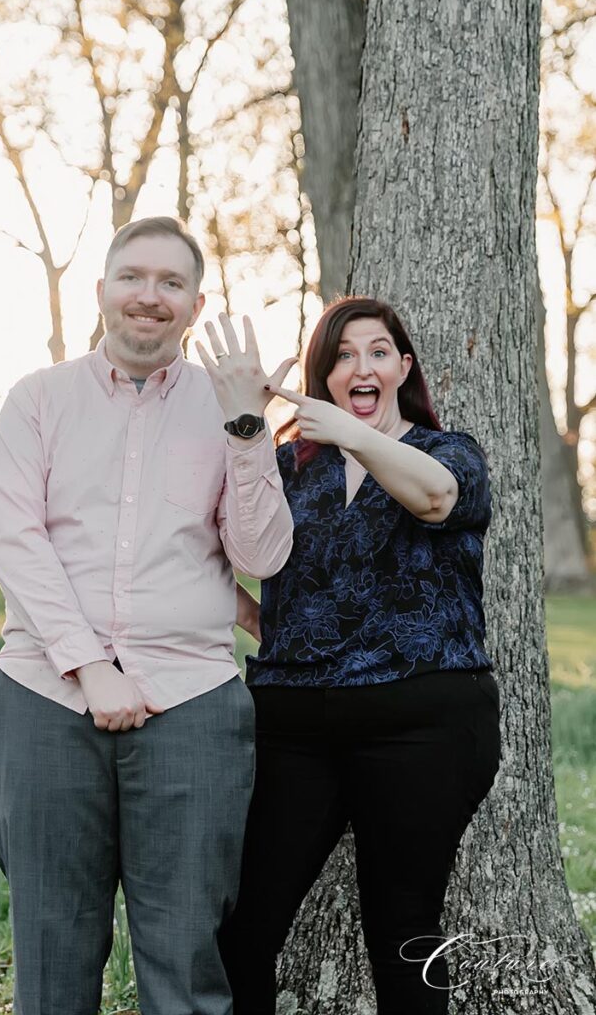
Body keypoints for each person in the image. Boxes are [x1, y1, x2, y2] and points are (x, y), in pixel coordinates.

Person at [0, 215, 297, 1015]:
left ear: (195, 305)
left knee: (187, 951)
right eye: (133, 277)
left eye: (171, 283)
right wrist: (89, 667)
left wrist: (247, 428)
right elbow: (15, 543)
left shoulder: (231, 409)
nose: (148, 297)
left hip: (190, 701)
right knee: (52, 951)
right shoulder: (37, 401)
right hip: (44, 697)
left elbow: (259, 557)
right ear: (102, 292)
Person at [219, 296, 502, 1015]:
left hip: (422, 725)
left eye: (376, 351)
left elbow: (435, 501)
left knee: (402, 930)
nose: (360, 366)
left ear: (402, 368)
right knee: (241, 929)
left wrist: (350, 432)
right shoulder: (289, 467)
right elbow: (235, 551)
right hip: (292, 728)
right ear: (323, 374)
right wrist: (265, 624)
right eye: (341, 356)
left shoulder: (447, 453)